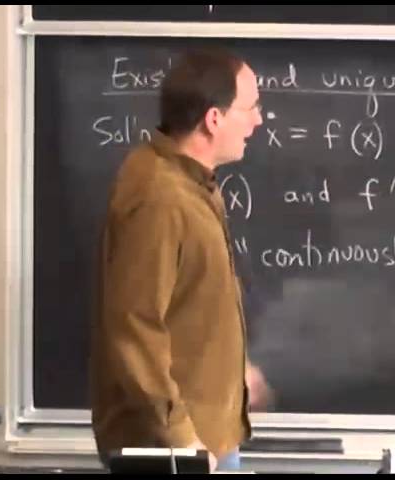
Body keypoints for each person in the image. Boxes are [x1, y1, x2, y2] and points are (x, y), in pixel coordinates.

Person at [89, 46, 271, 473]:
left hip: (205, 435)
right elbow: (136, 328)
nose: (259, 121)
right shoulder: (160, 198)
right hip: (177, 450)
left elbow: (188, 300)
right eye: (251, 107)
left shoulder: (191, 183)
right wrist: (182, 439)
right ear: (214, 119)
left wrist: (234, 370)